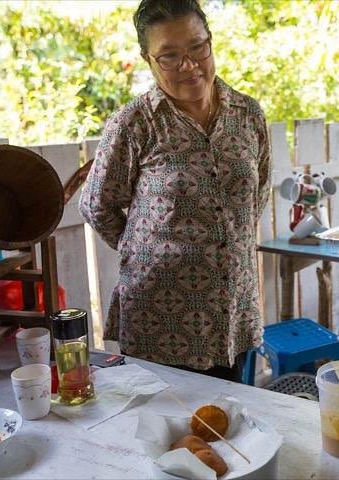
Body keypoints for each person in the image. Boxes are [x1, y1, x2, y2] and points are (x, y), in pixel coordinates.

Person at [79, 0, 272, 382]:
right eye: (169, 55)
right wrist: (148, 250)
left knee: (228, 427)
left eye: (198, 47)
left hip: (230, 313)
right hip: (161, 320)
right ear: (148, 59)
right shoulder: (135, 124)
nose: (189, 65)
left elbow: (258, 192)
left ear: (210, 42)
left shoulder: (248, 114)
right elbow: (96, 205)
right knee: (163, 433)